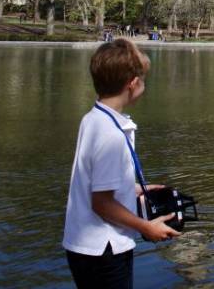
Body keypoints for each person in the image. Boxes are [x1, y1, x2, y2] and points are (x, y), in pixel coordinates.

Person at [63, 39, 179, 288]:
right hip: (104, 250)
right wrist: (146, 227)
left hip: (83, 246)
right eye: (143, 79)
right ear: (133, 84)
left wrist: (133, 188)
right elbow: (102, 203)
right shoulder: (112, 135)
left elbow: (94, 181)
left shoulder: (93, 119)